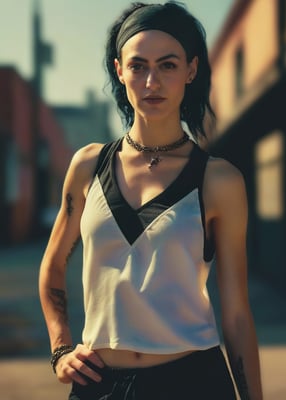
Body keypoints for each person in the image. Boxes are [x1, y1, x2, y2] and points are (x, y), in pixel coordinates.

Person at [39, 2, 263, 399]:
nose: (151, 82)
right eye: (138, 66)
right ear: (119, 69)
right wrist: (60, 350)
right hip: (98, 384)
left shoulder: (219, 179)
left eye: (168, 65)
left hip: (193, 382)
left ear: (191, 70)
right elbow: (54, 267)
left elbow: (237, 313)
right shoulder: (88, 165)